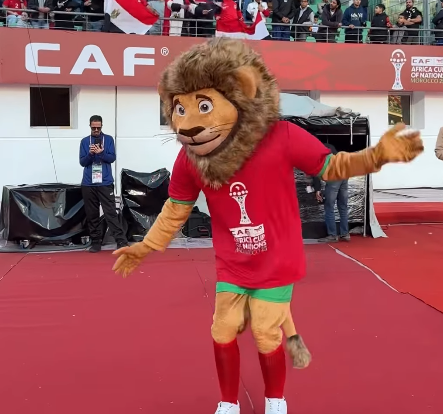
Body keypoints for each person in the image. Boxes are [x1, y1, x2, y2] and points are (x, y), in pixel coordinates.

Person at [112, 38, 424, 414]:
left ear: (242, 93)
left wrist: (375, 157)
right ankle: (228, 402)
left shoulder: (281, 136)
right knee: (222, 329)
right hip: (233, 263)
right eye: (180, 108)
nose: (188, 124)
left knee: (264, 331)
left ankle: (276, 399)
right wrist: (146, 245)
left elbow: (331, 167)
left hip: (277, 260)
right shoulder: (190, 158)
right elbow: (176, 209)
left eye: (203, 106)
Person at [79, 115, 128, 253]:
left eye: (98, 128)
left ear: (101, 126)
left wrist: (101, 153)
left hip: (105, 182)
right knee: (92, 214)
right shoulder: (84, 141)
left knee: (110, 212)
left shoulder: (109, 139)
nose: (96, 130)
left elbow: (112, 158)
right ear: (90, 126)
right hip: (89, 183)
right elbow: (82, 162)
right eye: (93, 128)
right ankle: (96, 242)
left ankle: (121, 241)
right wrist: (90, 154)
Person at [313, 142, 350, 242]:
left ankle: (332, 235)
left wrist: (317, 189)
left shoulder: (315, 151)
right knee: (343, 207)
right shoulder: (330, 146)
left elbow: (315, 171)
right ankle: (345, 234)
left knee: (329, 206)